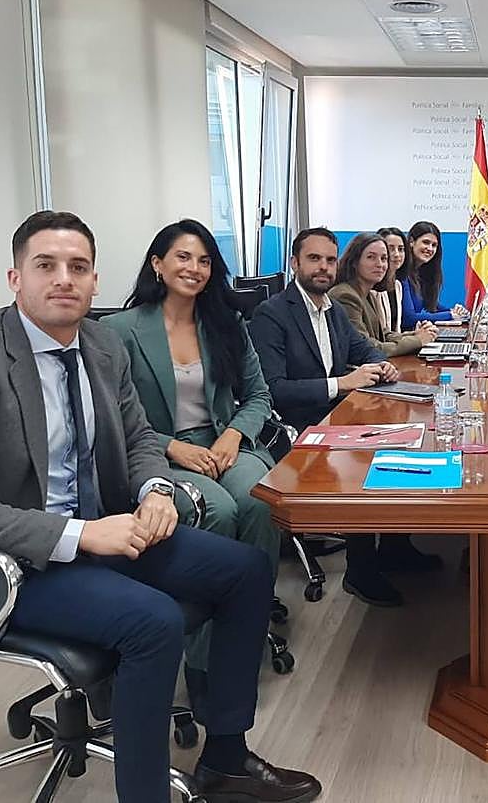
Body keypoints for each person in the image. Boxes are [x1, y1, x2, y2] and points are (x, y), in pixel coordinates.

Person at [0, 211, 320, 803]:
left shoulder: (101, 345)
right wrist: (81, 534)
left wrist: (156, 491)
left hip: (102, 533)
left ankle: (226, 756)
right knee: (154, 621)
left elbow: (139, 439)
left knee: (246, 571)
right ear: (15, 278)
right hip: (3, 564)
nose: (64, 279)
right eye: (45, 266)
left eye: (78, 267)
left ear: (96, 280)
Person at [103, 219, 286, 698]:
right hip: (159, 448)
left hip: (224, 441)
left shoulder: (226, 322)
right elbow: (112, 417)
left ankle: (245, 628)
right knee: (219, 511)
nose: (196, 268)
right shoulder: (118, 330)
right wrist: (171, 445)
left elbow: (258, 394)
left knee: (260, 501)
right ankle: (205, 663)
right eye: (183, 257)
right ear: (157, 264)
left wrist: (232, 436)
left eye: (205, 260)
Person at [250, 227, 432, 608]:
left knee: (408, 428)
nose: (323, 267)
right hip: (296, 422)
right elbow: (273, 388)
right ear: (295, 263)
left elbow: (364, 349)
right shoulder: (272, 314)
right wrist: (340, 383)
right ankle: (360, 571)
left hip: (337, 413)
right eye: (314, 259)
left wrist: (383, 367)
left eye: (329, 260)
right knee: (361, 463)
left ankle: (396, 545)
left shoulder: (331, 311)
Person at [330, 231, 439, 356]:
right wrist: (418, 340)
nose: (380, 264)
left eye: (384, 259)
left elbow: (384, 334)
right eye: (371, 257)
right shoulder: (346, 296)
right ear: (354, 261)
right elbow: (367, 348)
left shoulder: (368, 294)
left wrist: (418, 334)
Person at [398, 221, 469, 328]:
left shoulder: (422, 273)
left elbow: (431, 305)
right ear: (411, 242)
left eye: (434, 245)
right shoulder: (403, 274)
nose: (430, 249)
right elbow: (409, 318)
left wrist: (455, 312)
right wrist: (449, 315)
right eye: (426, 242)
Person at [373, 226, 407, 333]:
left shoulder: (397, 286)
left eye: (401, 249)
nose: (397, 254)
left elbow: (396, 330)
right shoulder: (372, 288)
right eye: (391, 249)